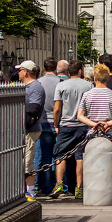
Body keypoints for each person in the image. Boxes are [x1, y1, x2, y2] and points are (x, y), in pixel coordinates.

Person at [51, 60, 93, 200]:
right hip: (83, 125)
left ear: (68, 72)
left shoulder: (61, 85)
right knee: (80, 156)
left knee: (61, 155)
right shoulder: (89, 85)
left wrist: (57, 124)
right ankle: (79, 187)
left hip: (66, 125)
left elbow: (57, 108)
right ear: (80, 71)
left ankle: (59, 184)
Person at [16, 60, 45, 202]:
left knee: (27, 161)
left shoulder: (35, 87)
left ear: (26, 72)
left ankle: (30, 192)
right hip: (23, 129)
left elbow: (34, 108)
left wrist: (16, 106)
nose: (18, 72)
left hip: (30, 129)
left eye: (20, 70)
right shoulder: (26, 86)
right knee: (23, 160)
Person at [77, 64, 112, 139]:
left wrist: (94, 124)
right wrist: (107, 123)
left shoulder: (87, 95)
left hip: (92, 133)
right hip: (110, 133)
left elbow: (80, 116)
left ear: (95, 78)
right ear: (107, 79)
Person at [35, 57, 60, 196]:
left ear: (44, 68)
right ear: (55, 67)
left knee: (42, 155)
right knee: (57, 156)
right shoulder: (61, 82)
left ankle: (42, 186)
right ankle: (55, 184)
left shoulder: (38, 83)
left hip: (42, 121)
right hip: (56, 122)